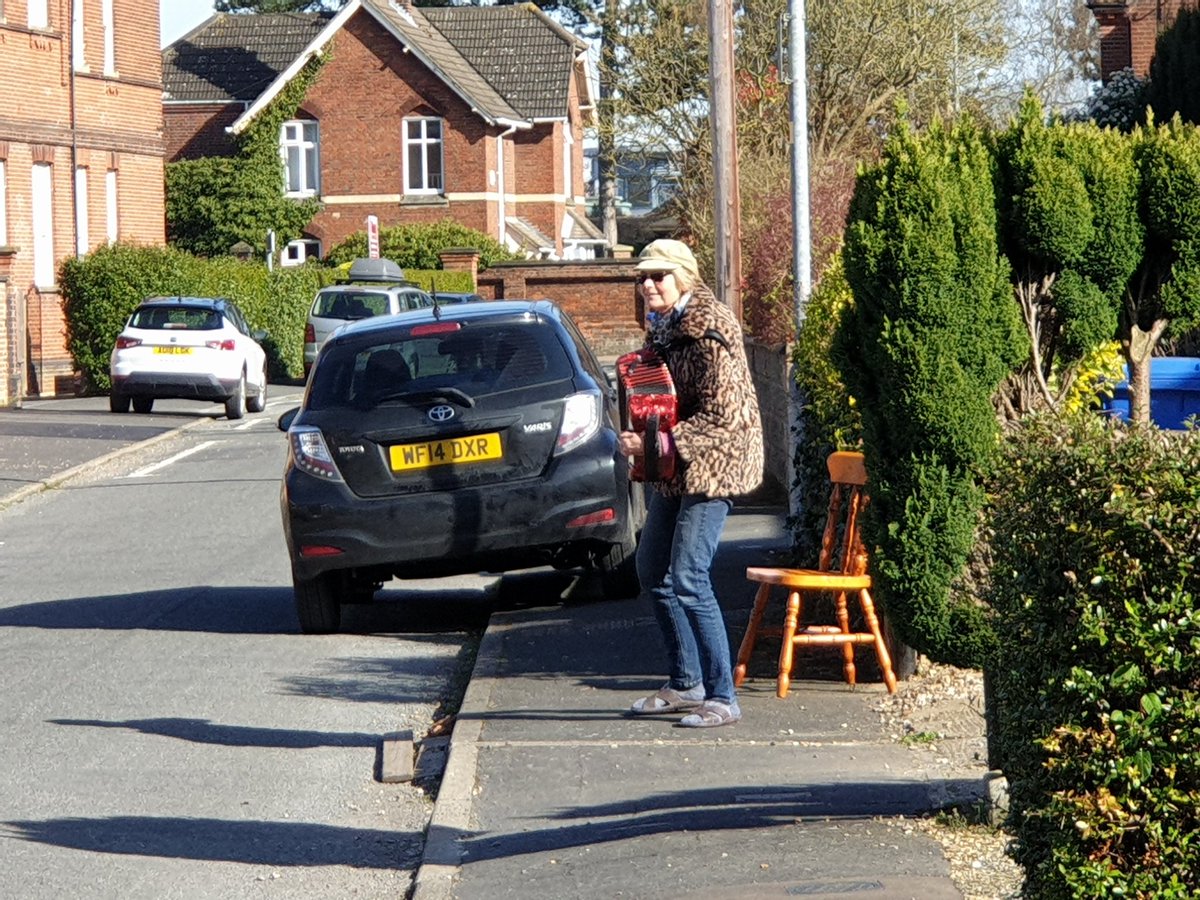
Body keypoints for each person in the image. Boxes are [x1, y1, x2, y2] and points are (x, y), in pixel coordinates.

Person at [618, 239, 764, 728]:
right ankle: (686, 683)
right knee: (650, 567)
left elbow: (725, 417)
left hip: (716, 462)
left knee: (689, 575)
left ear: (683, 277)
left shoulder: (710, 329)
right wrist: (640, 434)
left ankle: (723, 697)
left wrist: (653, 443)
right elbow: (662, 400)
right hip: (677, 465)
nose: (648, 285)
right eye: (643, 277)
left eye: (658, 276)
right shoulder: (663, 327)